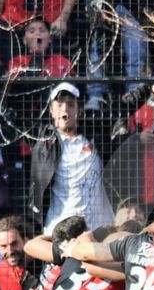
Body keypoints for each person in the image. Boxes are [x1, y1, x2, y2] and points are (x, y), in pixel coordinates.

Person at [29, 83, 115, 234]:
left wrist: (148, 87)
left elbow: (124, 108)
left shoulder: (96, 136)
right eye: (59, 104)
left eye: (70, 104)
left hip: (98, 226)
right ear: (51, 110)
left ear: (79, 110)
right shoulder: (43, 143)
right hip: (60, 227)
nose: (65, 109)